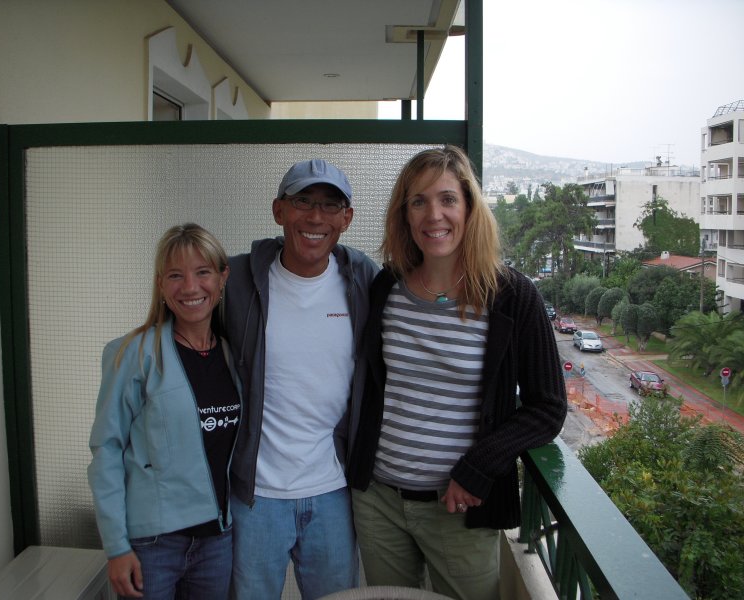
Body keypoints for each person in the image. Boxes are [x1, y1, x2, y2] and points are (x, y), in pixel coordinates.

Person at [347, 146, 567, 600]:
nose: (434, 215)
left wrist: (478, 467)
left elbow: (548, 408)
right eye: (419, 201)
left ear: (469, 208)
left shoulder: (511, 296)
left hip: (460, 509)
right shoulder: (386, 286)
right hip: (379, 503)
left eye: (448, 199)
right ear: (404, 215)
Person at [222, 159, 379, 599]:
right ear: (278, 210)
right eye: (303, 202)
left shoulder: (365, 282)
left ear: (346, 219)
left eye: (330, 206)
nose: (315, 217)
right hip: (256, 494)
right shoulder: (235, 283)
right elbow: (185, 321)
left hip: (332, 491)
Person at [88, 223, 241, 599]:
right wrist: (117, 546)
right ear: (160, 284)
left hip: (216, 540)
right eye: (176, 275)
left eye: (203, 272)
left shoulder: (232, 353)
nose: (190, 287)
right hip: (153, 544)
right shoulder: (134, 355)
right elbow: (106, 450)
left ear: (223, 277)